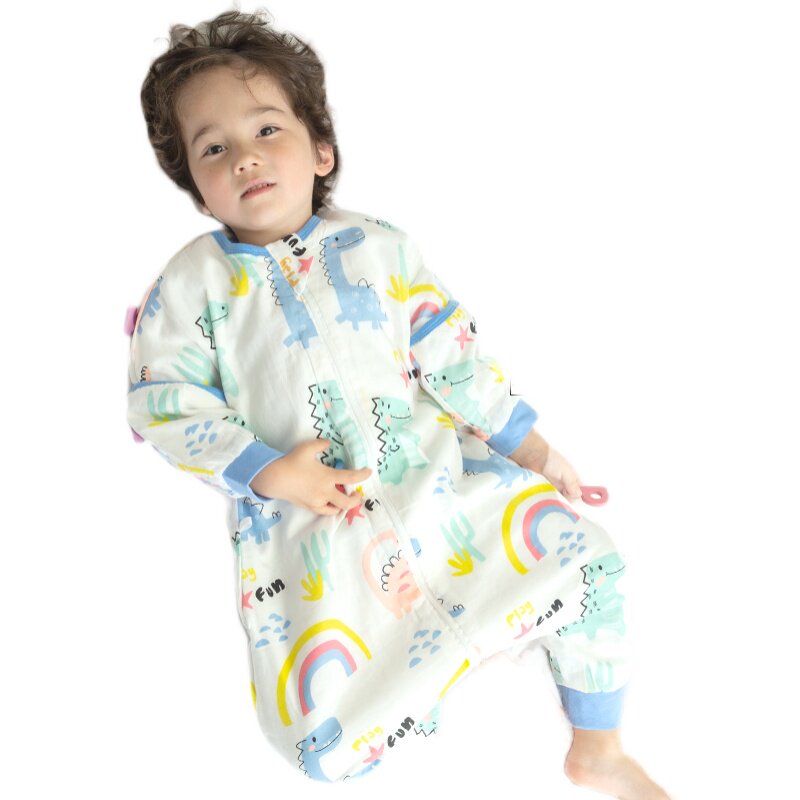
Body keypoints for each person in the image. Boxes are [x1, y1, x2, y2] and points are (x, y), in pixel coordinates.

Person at [127, 8, 669, 797]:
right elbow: (161, 403)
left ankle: (598, 746)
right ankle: (426, 688)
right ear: (200, 192)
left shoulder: (379, 250)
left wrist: (533, 449)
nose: (245, 156)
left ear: (321, 149)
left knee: (591, 560)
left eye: (267, 129)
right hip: (317, 541)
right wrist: (269, 471)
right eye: (214, 149)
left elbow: (453, 353)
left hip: (441, 491)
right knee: (320, 741)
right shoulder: (188, 288)